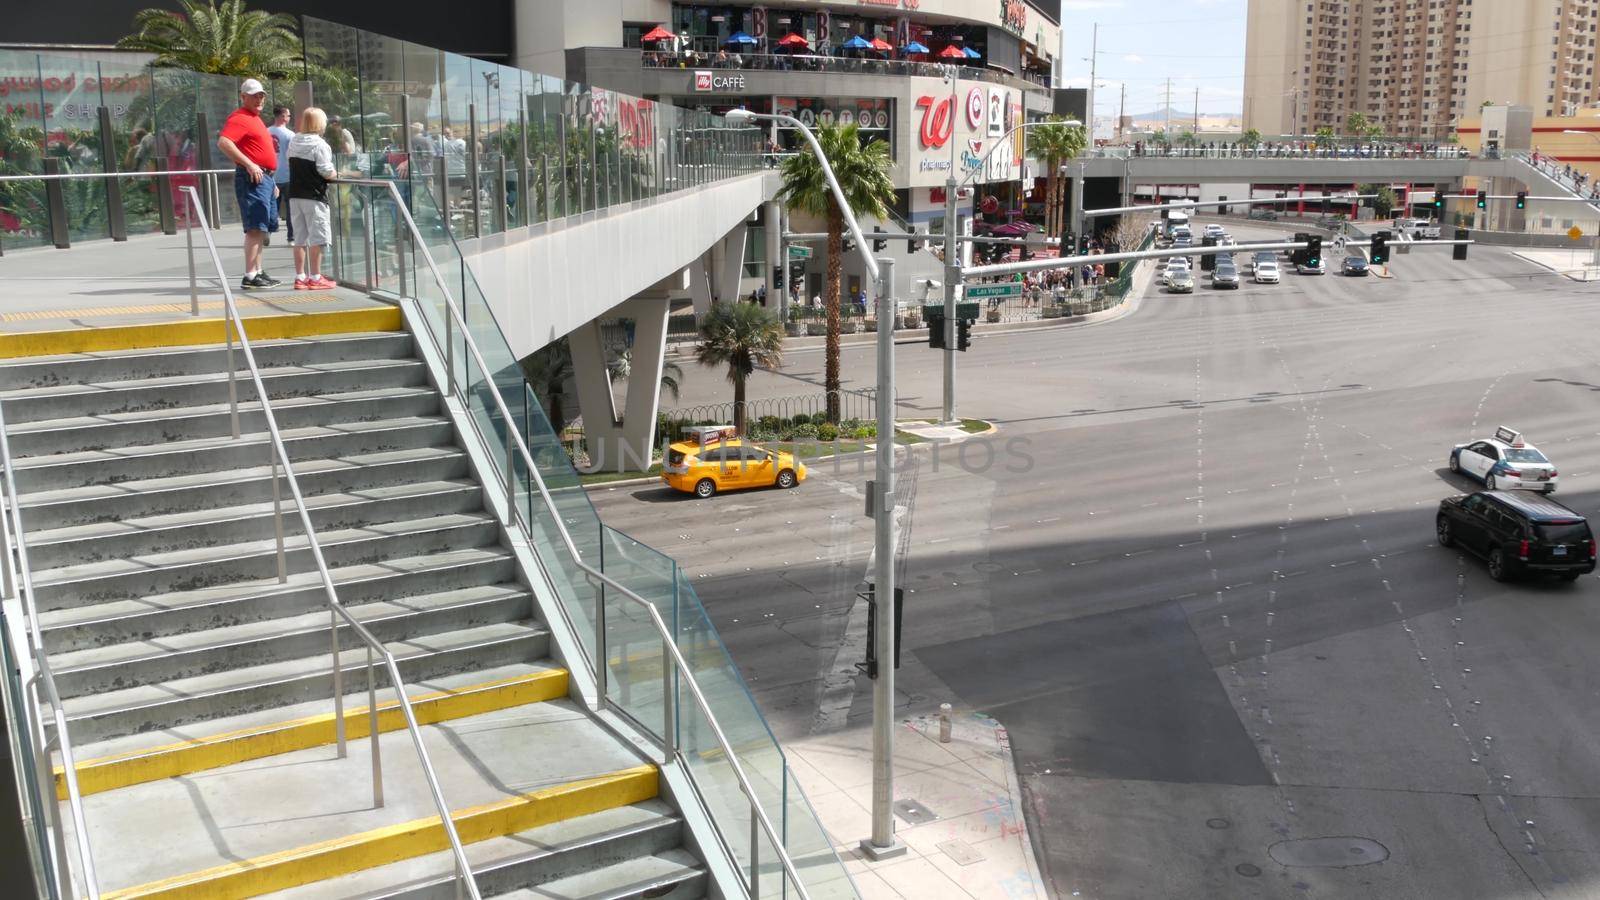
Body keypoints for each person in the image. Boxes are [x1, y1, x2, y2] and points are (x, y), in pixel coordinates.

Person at [217, 78, 281, 289]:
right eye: (254, 95)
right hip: (253, 178)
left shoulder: (254, 118)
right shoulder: (240, 118)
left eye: (261, 95)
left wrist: (270, 180)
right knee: (255, 228)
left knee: (261, 227)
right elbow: (224, 142)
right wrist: (250, 165)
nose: (259, 99)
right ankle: (251, 275)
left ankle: (257, 272)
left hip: (264, 178)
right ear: (243, 97)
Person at [288, 107, 338, 291]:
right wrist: (335, 173)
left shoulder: (294, 141)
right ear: (319, 123)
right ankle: (316, 277)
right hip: (314, 195)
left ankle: (300, 276)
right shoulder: (320, 145)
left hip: (295, 195)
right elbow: (326, 171)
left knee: (299, 238)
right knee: (318, 237)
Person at [267, 105, 295, 244]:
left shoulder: (265, 132)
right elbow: (292, 156)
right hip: (288, 175)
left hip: (271, 176)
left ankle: (267, 232)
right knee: (291, 209)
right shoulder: (290, 135)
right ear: (283, 116)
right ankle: (291, 238)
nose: (289, 118)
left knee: (272, 207)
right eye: (288, 115)